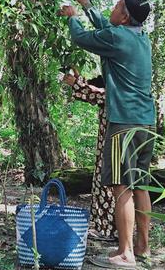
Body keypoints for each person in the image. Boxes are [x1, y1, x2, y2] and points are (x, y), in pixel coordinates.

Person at [59, 0, 156, 269]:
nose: (111, 9)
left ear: (124, 17)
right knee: (140, 185)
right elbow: (105, 25)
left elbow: (81, 37)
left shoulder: (116, 36)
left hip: (123, 124)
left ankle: (126, 253)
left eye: (115, 6)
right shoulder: (140, 37)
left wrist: (72, 17)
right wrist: (86, 4)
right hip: (145, 122)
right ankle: (143, 247)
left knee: (121, 186)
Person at [61, 69, 117, 241]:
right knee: (108, 179)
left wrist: (77, 84)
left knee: (108, 180)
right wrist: (79, 81)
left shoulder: (120, 77)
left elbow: (103, 96)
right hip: (120, 130)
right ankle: (108, 228)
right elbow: (97, 87)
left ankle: (109, 231)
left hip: (116, 132)